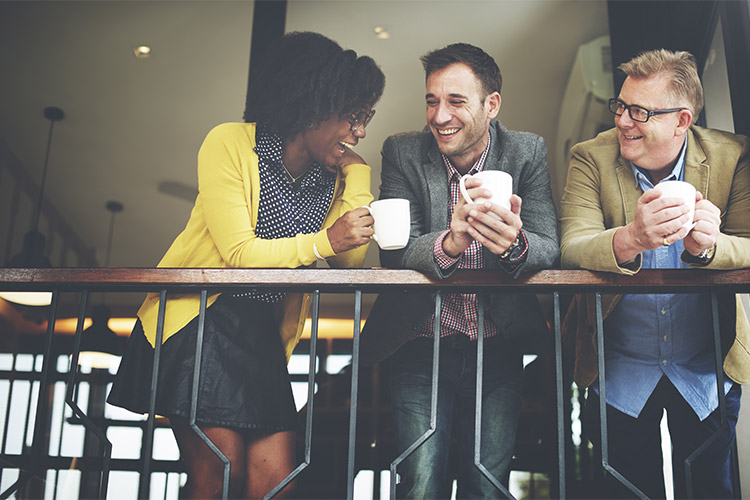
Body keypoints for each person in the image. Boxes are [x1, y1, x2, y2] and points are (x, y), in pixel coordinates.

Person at [107, 32, 385, 499]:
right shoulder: (231, 143)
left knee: (277, 482)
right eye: (354, 116)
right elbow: (238, 253)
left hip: (261, 334)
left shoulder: (332, 173)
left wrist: (359, 175)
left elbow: (349, 256)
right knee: (220, 474)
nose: (360, 131)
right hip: (201, 321)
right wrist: (323, 241)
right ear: (313, 104)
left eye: (366, 118)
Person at [361, 43, 559, 498]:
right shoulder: (403, 151)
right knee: (420, 481)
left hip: (499, 343)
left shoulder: (527, 152)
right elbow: (395, 252)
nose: (439, 115)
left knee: (487, 486)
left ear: (492, 105)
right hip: (419, 342)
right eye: (432, 100)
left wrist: (514, 244)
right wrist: (450, 243)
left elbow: (550, 247)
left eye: (455, 101)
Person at [560, 48, 750, 499]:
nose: (623, 120)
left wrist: (708, 247)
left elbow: (746, 242)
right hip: (618, 372)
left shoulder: (732, 155)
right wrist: (630, 239)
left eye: (640, 111)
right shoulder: (590, 157)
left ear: (682, 120)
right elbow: (571, 245)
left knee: (711, 491)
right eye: (621, 106)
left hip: (706, 372)